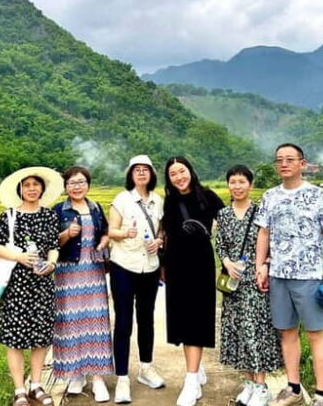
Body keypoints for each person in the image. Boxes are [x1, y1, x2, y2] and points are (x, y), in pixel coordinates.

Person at [254, 144, 323, 406]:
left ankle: (321, 395)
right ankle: (293, 388)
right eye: (279, 160)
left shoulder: (318, 195)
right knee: (287, 332)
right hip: (279, 275)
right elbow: (264, 233)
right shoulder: (270, 196)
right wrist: (260, 265)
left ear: (302, 163)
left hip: (310, 276)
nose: (284, 164)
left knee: (316, 333)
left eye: (290, 159)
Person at [0, 167, 63, 406]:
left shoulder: (49, 216)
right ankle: (19, 389)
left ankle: (37, 385)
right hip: (16, 286)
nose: (31, 189)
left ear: (42, 188)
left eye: (35, 184)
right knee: (15, 339)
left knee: (40, 336)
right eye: (26, 185)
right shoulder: (9, 216)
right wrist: (18, 257)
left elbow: (54, 246)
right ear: (20, 189)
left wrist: (51, 264)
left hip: (42, 283)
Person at [217, 165, 283, 406]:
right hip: (233, 283)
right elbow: (220, 244)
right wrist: (226, 262)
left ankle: (261, 386)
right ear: (228, 185)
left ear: (250, 185)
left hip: (255, 282)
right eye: (232, 182)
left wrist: (264, 264)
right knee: (237, 331)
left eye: (241, 182)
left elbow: (273, 242)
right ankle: (248, 383)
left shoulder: (261, 212)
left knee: (256, 330)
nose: (237, 186)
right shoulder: (223, 214)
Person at [161, 156, 224, 406]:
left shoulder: (207, 196)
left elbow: (228, 225)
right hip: (176, 266)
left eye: (182, 171)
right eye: (173, 174)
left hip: (201, 265)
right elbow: (165, 234)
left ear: (190, 171)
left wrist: (231, 259)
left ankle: (190, 380)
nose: (179, 177)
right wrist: (162, 263)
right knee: (182, 320)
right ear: (169, 179)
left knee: (197, 319)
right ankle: (196, 370)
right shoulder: (169, 201)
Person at [52, 166, 113, 402]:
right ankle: (76, 374)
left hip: (93, 272)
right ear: (65, 187)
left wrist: (103, 244)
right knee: (71, 323)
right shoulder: (59, 210)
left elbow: (105, 232)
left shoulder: (95, 207)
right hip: (67, 273)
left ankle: (97, 378)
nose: (77, 187)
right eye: (72, 183)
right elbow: (50, 243)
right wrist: (67, 234)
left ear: (88, 184)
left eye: (81, 182)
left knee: (95, 321)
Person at [108, 155, 166, 403]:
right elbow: (111, 231)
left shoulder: (158, 200)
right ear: (131, 174)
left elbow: (161, 229)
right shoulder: (121, 199)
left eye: (146, 169)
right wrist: (124, 233)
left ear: (151, 174)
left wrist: (159, 241)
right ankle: (122, 378)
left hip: (149, 267)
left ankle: (146, 369)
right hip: (123, 265)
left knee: (146, 319)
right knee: (123, 321)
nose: (141, 173)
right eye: (137, 170)